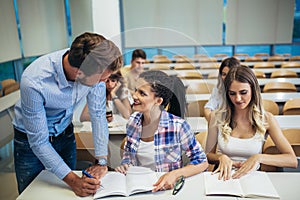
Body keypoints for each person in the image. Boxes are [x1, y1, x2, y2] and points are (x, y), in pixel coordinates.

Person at [13, 32, 123, 196]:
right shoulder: (34, 81)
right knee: (33, 194)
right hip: (29, 141)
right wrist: (74, 181)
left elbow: (98, 115)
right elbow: (39, 142)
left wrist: (102, 161)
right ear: (79, 73)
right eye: (101, 80)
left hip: (65, 134)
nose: (103, 84)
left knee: (65, 194)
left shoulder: (93, 65)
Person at [115, 70, 208, 192]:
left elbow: (202, 162)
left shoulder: (178, 126)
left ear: (158, 101)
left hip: (167, 190)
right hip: (138, 189)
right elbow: (128, 155)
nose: (134, 95)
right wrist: (125, 166)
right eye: (135, 90)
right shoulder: (133, 121)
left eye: (142, 93)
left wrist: (175, 174)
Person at [205, 65, 297, 181]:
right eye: (232, 93)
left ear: (253, 90)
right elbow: (208, 155)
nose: (238, 99)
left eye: (243, 92)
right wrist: (221, 157)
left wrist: (258, 158)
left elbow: (292, 160)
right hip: (224, 177)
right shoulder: (216, 117)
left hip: (253, 179)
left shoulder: (267, 119)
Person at [204, 57, 240, 122]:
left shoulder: (243, 90)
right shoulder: (218, 90)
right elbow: (208, 108)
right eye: (224, 74)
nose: (226, 78)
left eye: (230, 74)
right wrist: (213, 122)